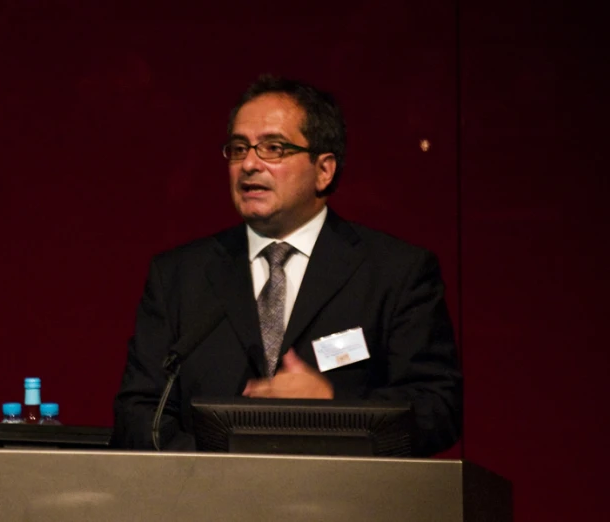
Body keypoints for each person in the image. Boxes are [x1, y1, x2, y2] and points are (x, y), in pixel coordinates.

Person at [112, 75, 462, 456]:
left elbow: (437, 409)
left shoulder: (395, 273)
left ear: (324, 170)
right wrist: (214, 476)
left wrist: (335, 406)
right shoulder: (180, 276)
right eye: (238, 148)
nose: (248, 164)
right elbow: (138, 410)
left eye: (273, 148)